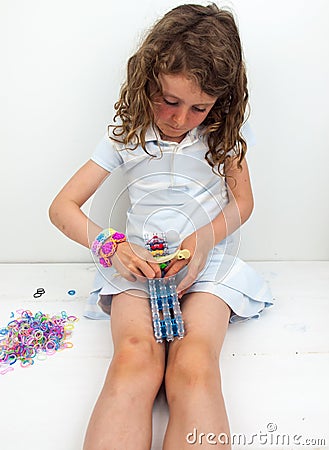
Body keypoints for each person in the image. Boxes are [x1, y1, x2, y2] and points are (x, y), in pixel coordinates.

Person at [49, 3, 273, 449]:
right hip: (138, 266)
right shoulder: (126, 137)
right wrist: (111, 246)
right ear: (147, 80)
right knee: (134, 361)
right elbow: (62, 207)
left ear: (220, 103)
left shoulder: (222, 137)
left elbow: (243, 203)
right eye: (169, 101)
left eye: (198, 108)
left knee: (194, 365)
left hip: (207, 264)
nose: (178, 119)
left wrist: (202, 242)